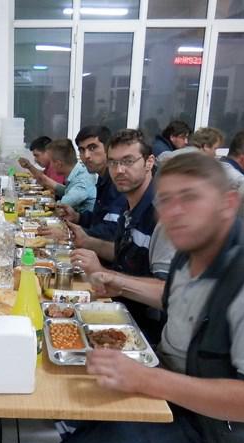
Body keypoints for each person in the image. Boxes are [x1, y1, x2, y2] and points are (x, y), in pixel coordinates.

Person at [54, 152, 244, 443]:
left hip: (229, 433)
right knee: (72, 412)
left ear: (228, 203)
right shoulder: (195, 249)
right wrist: (119, 283)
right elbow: (176, 298)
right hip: (177, 385)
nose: (174, 212)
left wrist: (146, 379)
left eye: (190, 198)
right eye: (165, 200)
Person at [67, 129, 175, 343]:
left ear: (149, 162)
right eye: (113, 163)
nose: (119, 170)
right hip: (122, 311)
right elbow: (127, 253)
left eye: (128, 161)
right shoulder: (130, 204)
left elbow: (169, 293)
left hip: (147, 332)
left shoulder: (163, 215)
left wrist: (108, 275)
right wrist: (88, 242)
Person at [47, 125, 126, 243]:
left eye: (92, 148)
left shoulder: (118, 182)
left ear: (108, 149)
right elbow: (99, 219)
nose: (86, 156)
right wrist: (77, 217)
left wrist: (69, 234)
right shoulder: (102, 178)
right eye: (82, 150)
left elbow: (111, 232)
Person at [46, 139, 96, 213]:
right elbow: (68, 191)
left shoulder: (82, 181)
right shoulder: (78, 172)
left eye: (51, 162)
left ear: (58, 164)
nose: (51, 166)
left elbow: (62, 205)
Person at [157, 127, 224, 165]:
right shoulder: (195, 159)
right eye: (215, 149)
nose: (215, 154)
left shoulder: (187, 152)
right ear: (206, 146)